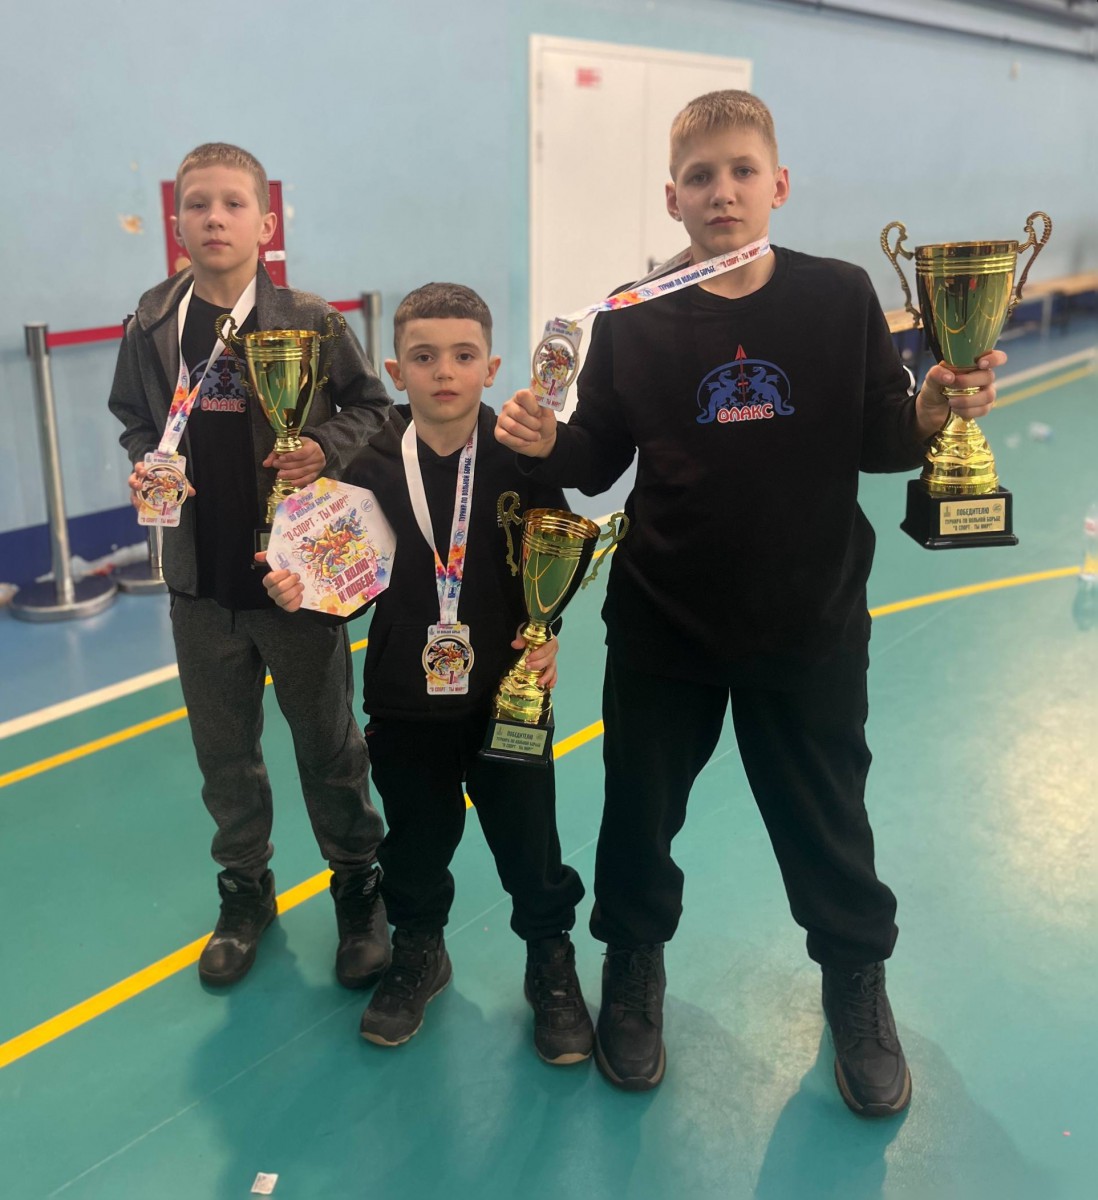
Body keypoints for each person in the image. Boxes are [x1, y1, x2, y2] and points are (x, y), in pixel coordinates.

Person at [495, 90, 1007, 1112]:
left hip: (808, 619)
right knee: (639, 818)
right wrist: (549, 442)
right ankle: (632, 968)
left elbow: (880, 439)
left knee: (829, 819)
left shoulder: (839, 296)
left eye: (741, 171)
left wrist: (930, 408)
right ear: (672, 198)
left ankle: (855, 981)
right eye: (700, 176)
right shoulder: (631, 316)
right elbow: (599, 461)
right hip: (665, 621)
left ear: (778, 184)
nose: (721, 191)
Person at [262, 283, 593, 1063]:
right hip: (405, 703)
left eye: (463, 355)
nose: (444, 371)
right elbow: (346, 587)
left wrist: (549, 635)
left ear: (492, 367)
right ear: (394, 371)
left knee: (529, 840)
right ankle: (419, 949)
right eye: (423, 356)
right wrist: (302, 591)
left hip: (507, 698)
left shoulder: (520, 456)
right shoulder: (366, 466)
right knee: (413, 844)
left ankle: (550, 960)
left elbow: (554, 559)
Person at [108, 143, 392, 990]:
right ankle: (245, 893)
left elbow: (373, 407)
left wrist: (323, 448)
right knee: (224, 754)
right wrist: (149, 460)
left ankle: (358, 887)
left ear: (266, 223)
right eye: (199, 204)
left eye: (234, 204)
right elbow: (133, 416)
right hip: (201, 587)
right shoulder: (152, 321)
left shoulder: (311, 319)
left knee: (329, 747)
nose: (215, 218)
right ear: (177, 222)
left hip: (296, 585)